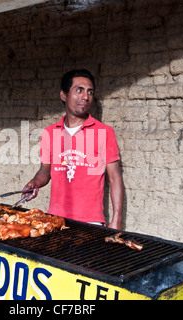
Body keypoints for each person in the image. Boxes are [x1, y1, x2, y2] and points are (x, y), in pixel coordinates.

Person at [21, 69, 124, 230]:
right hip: (55, 220)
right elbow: (45, 171)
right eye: (79, 90)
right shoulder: (50, 133)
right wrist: (35, 183)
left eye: (90, 92)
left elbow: (115, 178)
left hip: (90, 223)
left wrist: (117, 219)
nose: (86, 96)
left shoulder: (104, 132)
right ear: (64, 95)